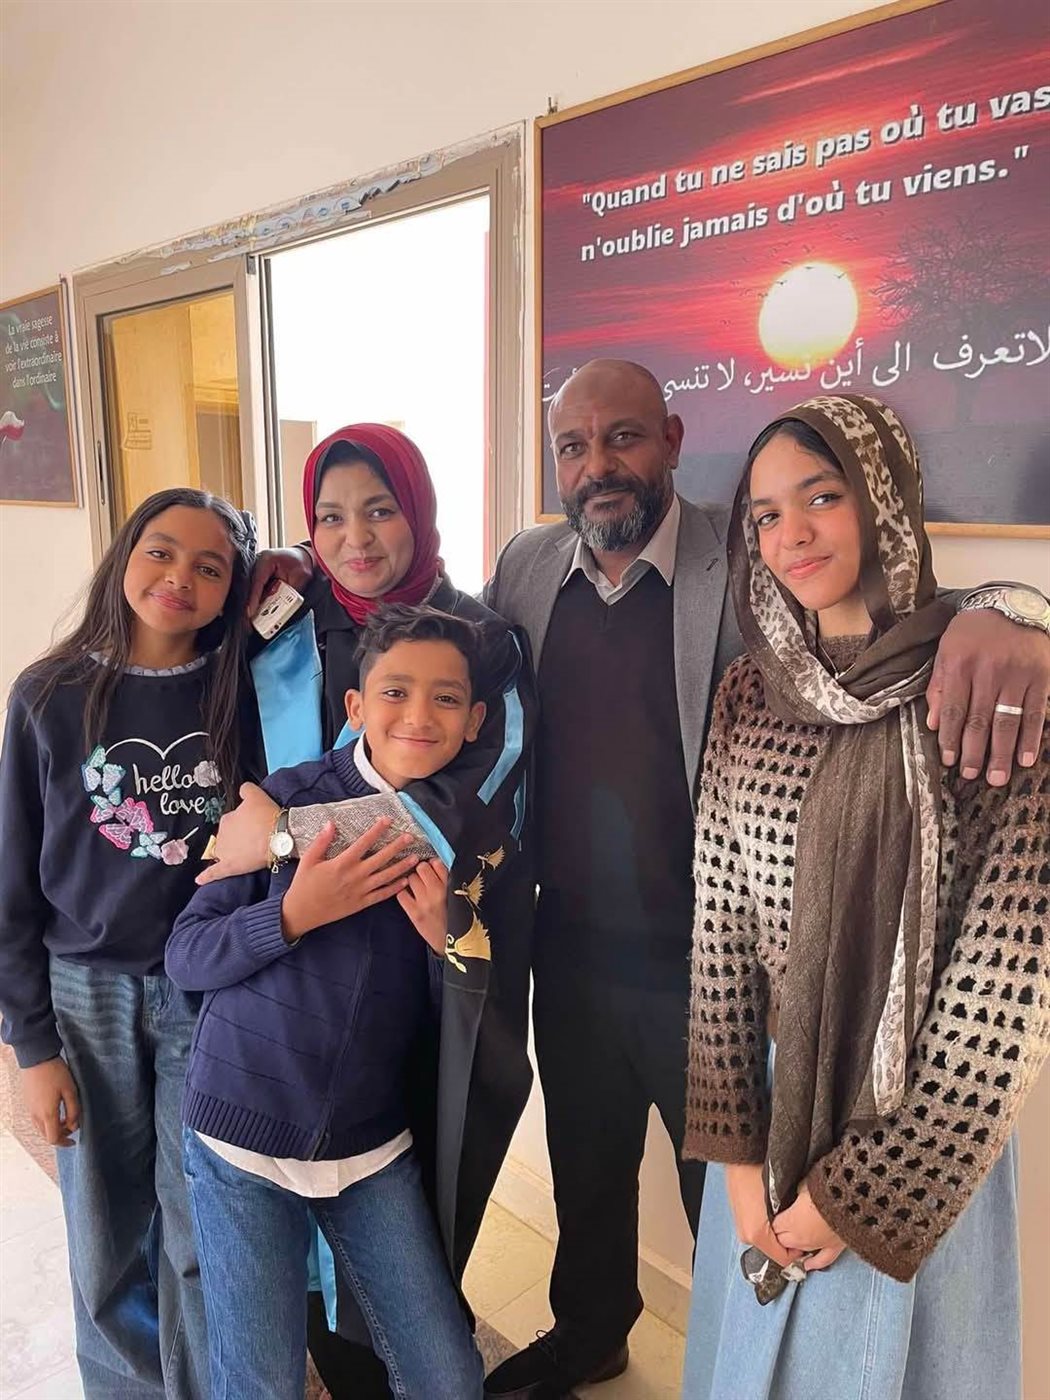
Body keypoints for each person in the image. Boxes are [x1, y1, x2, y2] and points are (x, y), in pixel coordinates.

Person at [227, 365, 1050, 1400]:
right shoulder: (528, 564)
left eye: (622, 438)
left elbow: (892, 602)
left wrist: (1012, 603)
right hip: (569, 940)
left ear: (671, 438)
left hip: (708, 958)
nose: (597, 466)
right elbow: (419, 646)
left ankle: (745, 1354)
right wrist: (289, 564)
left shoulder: (740, 554)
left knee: (726, 1194)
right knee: (588, 1162)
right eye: (572, 447)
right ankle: (592, 1334)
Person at [681, 393, 1049, 1400]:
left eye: (822, 496)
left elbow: (1006, 988)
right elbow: (720, 930)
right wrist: (737, 1157)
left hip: (926, 1132)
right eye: (766, 514)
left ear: (883, 500)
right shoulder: (749, 694)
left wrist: (863, 1193)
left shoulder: (983, 689)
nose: (791, 534)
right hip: (768, 1103)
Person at [199, 423, 536, 1397]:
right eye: (331, 517)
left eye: (381, 509)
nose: (357, 537)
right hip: (284, 986)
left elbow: (471, 804)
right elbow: (241, 776)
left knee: (414, 1194)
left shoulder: (479, 637)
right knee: (283, 1277)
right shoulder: (284, 620)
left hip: (422, 960)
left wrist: (285, 837)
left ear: (418, 511)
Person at [167, 604, 499, 1400]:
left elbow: (471, 1001)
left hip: (370, 1145)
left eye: (447, 698)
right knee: (260, 1381)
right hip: (242, 1136)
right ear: (355, 706)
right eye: (395, 692)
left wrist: (446, 944)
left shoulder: (477, 839)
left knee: (448, 1375)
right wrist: (290, 914)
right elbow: (187, 954)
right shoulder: (281, 802)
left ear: (476, 720)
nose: (419, 716)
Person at [0, 488, 256, 1399]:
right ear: (124, 557)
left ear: (232, 592)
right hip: (84, 996)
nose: (179, 576)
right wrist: (32, 1046)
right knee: (103, 1232)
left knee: (198, 1229)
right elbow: (12, 880)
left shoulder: (238, 692)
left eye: (210, 566)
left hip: (205, 990)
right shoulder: (49, 696)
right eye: (161, 551)